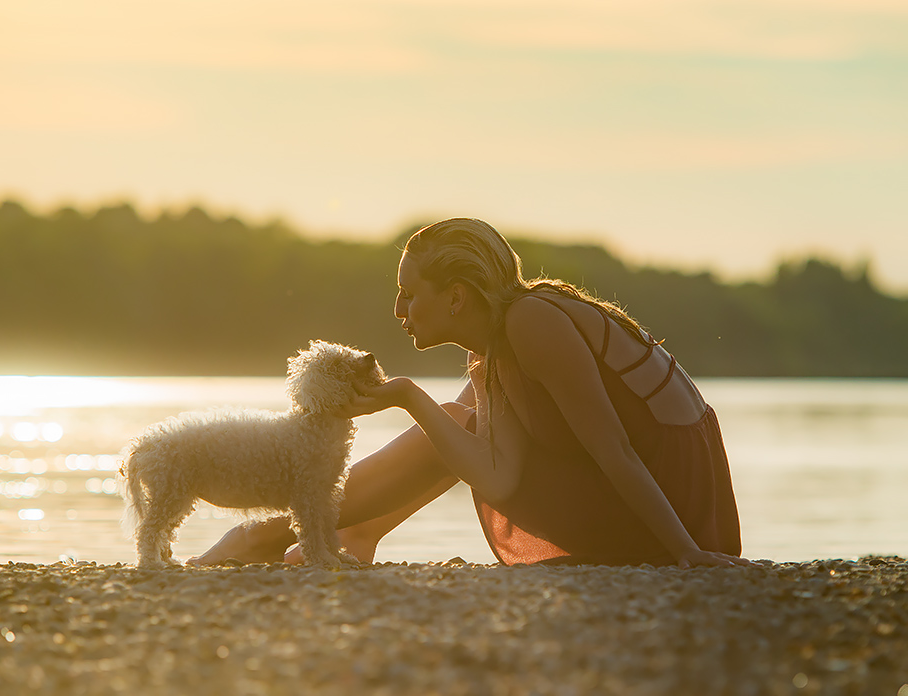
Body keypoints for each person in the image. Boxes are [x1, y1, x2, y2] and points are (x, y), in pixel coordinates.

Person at [190, 218, 745, 568]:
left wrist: (690, 554)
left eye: (409, 293)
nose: (398, 310)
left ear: (456, 297)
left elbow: (616, 449)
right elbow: (499, 477)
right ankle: (353, 532)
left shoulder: (533, 320)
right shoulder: (498, 346)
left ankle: (263, 538)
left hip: (675, 505)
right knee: (457, 415)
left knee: (452, 417)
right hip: (661, 505)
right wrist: (410, 398)